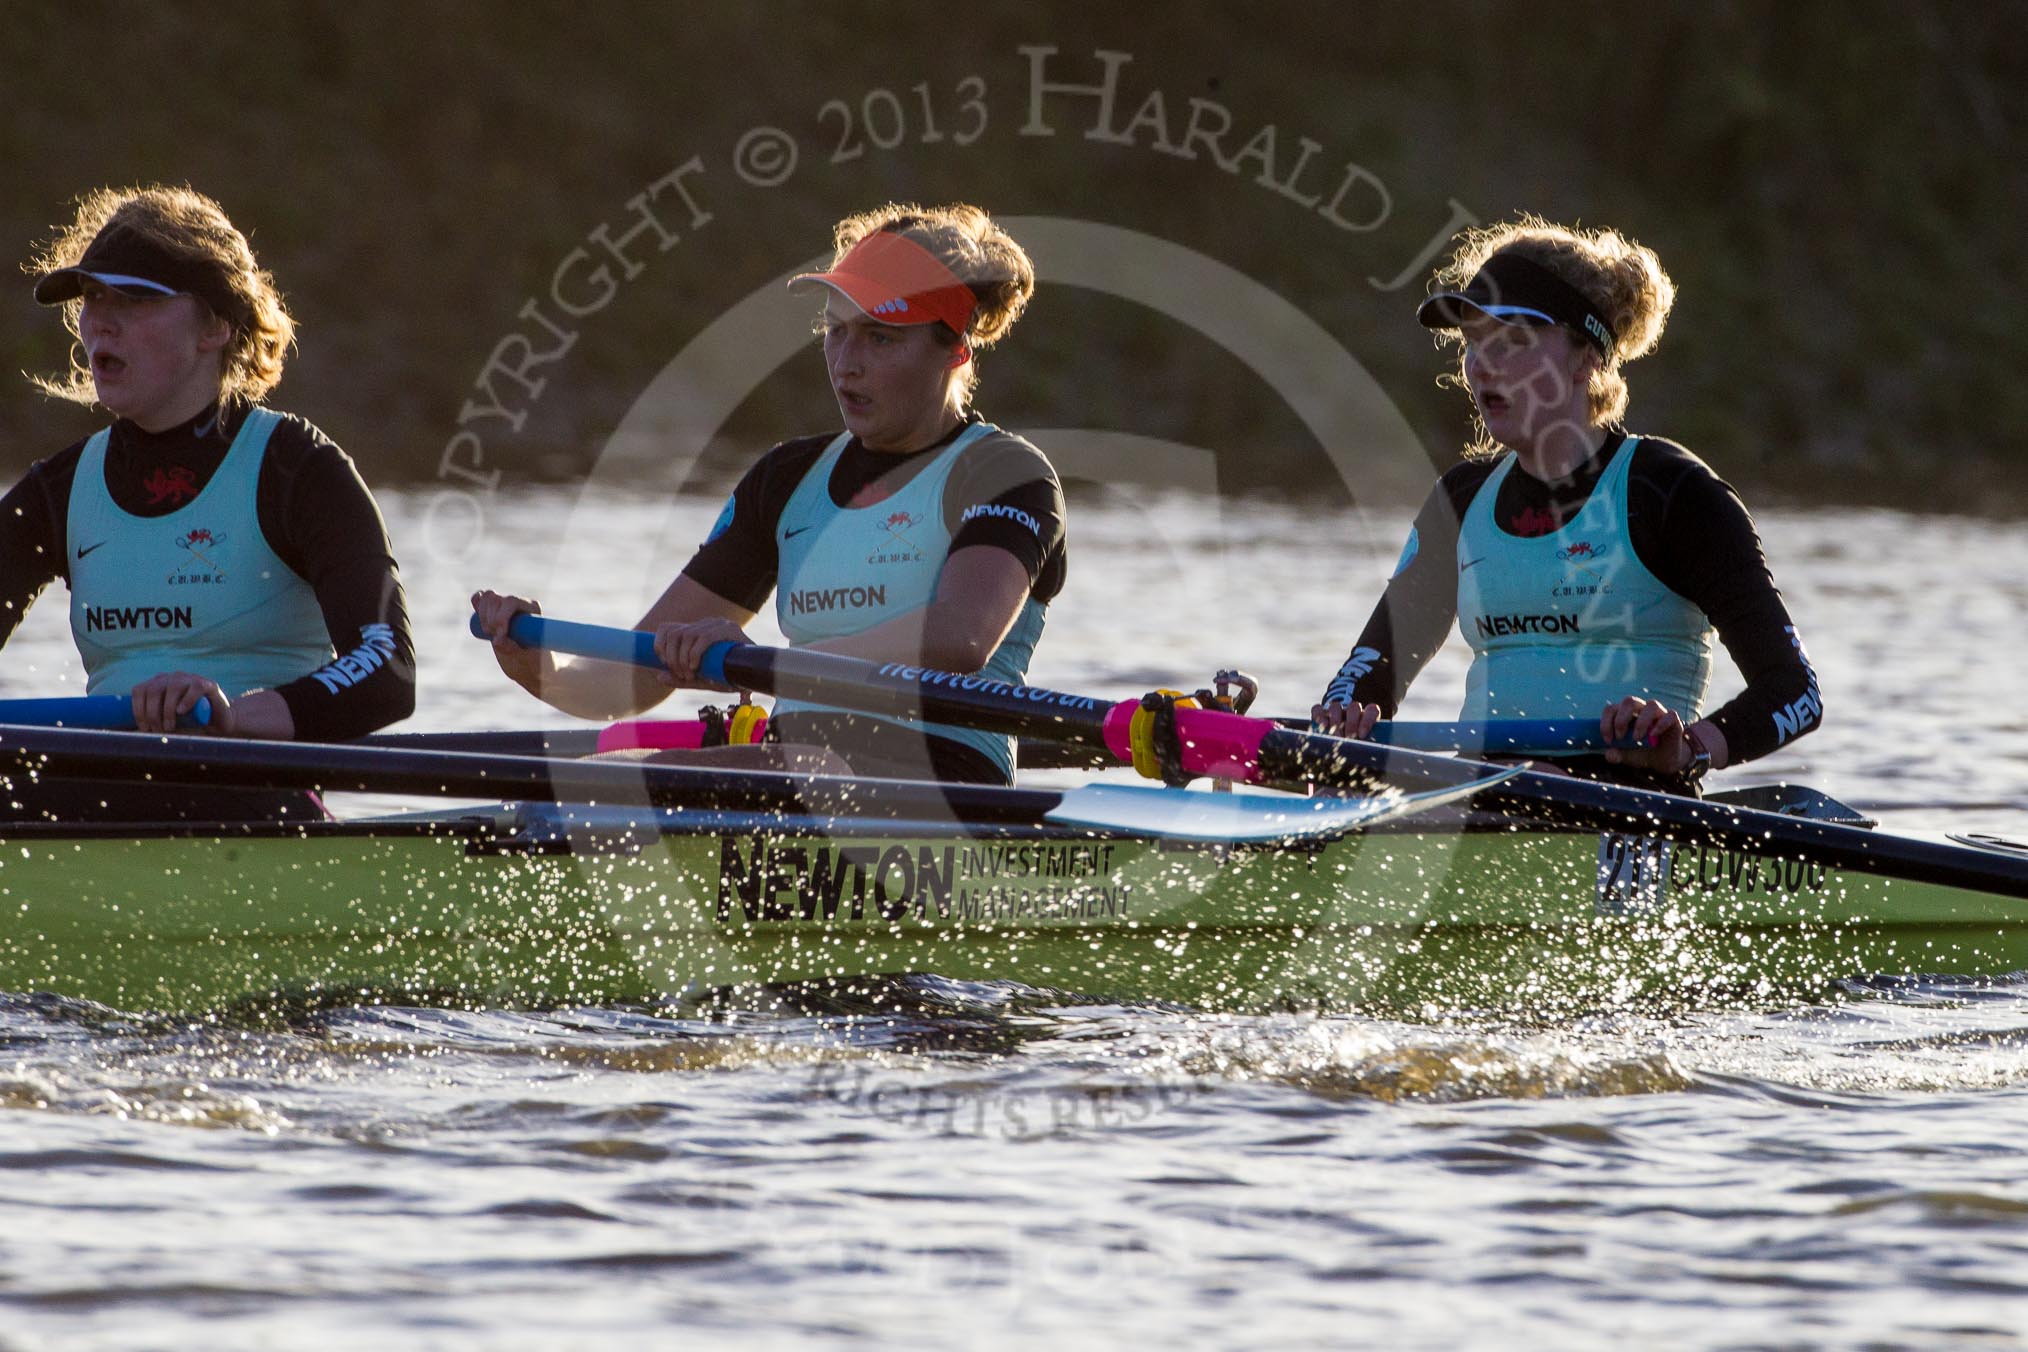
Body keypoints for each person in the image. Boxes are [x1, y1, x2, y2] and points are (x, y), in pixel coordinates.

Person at [474, 202, 1065, 785]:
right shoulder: (788, 480)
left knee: (632, 784)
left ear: (955, 350)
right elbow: (634, 677)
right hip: (791, 776)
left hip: (944, 788)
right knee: (600, 779)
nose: (846, 363)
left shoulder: (1003, 473)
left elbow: (959, 637)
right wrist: (538, 667)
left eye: (880, 339)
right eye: (836, 331)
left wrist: (774, 662)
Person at [1313, 216, 1820, 792]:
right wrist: (1343, 714)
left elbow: (1795, 690)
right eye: (1472, 343)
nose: (1481, 365)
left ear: (1586, 358)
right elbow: (1367, 672)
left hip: (1631, 815)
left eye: (1512, 341)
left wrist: (1692, 749)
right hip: (1481, 800)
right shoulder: (1462, 499)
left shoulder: (1671, 495)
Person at [0, 185, 415, 817]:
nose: (100, 321)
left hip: (255, 796)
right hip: (95, 795)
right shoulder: (59, 491)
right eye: (94, 298)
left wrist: (233, 716)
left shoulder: (294, 470)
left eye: (134, 299)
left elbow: (387, 669)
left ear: (216, 327)